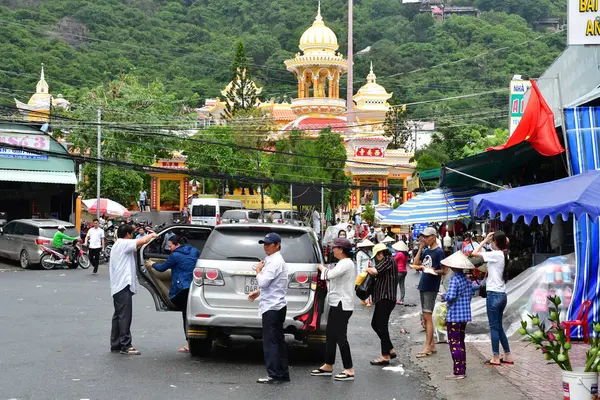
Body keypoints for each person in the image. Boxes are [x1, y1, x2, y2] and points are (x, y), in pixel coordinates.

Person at [146, 234, 200, 353]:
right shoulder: (195, 251)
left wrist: (152, 264)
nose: (168, 248)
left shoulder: (175, 256)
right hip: (195, 288)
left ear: (177, 245)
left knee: (186, 316)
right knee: (193, 315)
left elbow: (161, 268)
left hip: (181, 289)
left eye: (170, 246)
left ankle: (190, 343)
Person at [247, 233, 290, 384]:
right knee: (278, 341)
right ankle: (282, 373)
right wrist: (258, 292)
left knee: (271, 342)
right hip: (277, 305)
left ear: (277, 245)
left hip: (272, 307)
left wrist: (258, 270)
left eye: (269, 244)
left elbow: (265, 282)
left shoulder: (274, 262)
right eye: (264, 244)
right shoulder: (274, 260)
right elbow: (275, 284)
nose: (266, 246)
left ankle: (274, 374)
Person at [311, 238, 355, 381]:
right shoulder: (342, 263)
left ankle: (349, 369)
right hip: (337, 303)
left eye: (335, 247)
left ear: (341, 250)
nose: (332, 250)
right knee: (330, 334)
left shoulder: (346, 263)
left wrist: (321, 268)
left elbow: (329, 275)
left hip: (342, 304)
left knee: (340, 337)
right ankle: (328, 364)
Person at [109, 224, 157, 355]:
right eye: (132, 234)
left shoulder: (118, 244)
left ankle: (116, 344)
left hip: (118, 285)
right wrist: (153, 235)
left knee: (118, 316)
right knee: (124, 316)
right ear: (128, 235)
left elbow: (139, 244)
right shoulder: (124, 243)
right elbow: (142, 241)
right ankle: (126, 345)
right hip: (122, 285)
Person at [473, 231, 514, 366]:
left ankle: (495, 357)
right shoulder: (503, 254)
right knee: (499, 327)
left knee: (494, 328)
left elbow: (474, 254)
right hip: (502, 295)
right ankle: (507, 355)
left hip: (494, 295)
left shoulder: (496, 254)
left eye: (492, 241)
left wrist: (484, 240)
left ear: (495, 242)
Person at [440, 251, 475, 380]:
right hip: (464, 316)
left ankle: (458, 372)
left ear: (453, 267)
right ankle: (462, 368)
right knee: (461, 342)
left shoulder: (454, 279)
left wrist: (444, 296)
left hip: (454, 316)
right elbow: (470, 295)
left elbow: (451, 297)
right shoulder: (467, 279)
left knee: (454, 343)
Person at [412, 227, 445, 358]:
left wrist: (432, 271)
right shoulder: (426, 250)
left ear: (433, 237)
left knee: (427, 316)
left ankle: (427, 347)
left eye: (426, 237)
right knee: (426, 316)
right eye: (423, 237)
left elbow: (444, 271)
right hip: (423, 284)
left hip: (431, 286)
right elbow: (415, 263)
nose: (424, 239)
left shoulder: (439, 252)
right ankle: (431, 345)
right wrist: (420, 248)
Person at [366, 243, 397, 365]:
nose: (376, 259)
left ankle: (385, 355)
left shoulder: (388, 260)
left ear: (380, 253)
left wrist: (367, 269)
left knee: (380, 325)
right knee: (376, 324)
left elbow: (375, 271)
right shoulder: (388, 261)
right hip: (382, 297)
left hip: (386, 297)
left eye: (376, 256)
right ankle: (390, 349)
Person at [356, 239, 374, 307]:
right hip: (363, 272)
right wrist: (359, 274)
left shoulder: (371, 252)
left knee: (368, 286)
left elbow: (373, 261)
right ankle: (363, 299)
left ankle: (368, 300)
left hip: (371, 271)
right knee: (363, 286)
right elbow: (358, 264)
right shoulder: (359, 254)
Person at [392, 241, 409, 305]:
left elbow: (393, 260)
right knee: (402, 285)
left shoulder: (399, 254)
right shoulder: (405, 254)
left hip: (399, 271)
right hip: (404, 271)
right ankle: (402, 300)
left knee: (394, 285)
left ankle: (393, 299)